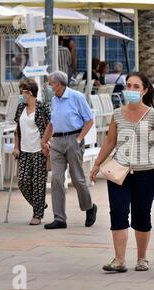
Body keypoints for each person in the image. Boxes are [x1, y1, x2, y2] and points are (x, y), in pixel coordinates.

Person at [89, 72, 154, 273]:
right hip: (119, 171)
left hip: (147, 173)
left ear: (144, 90)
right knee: (118, 211)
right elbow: (109, 142)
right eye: (128, 86)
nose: (131, 90)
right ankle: (119, 259)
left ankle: (142, 258)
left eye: (136, 87)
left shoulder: (153, 115)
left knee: (141, 215)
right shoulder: (117, 114)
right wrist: (97, 164)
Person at [41, 71, 97, 229]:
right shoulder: (54, 99)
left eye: (50, 83)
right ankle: (59, 218)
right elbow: (52, 123)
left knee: (77, 178)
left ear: (58, 84)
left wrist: (79, 139)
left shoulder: (76, 96)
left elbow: (89, 120)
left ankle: (90, 207)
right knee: (56, 179)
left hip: (73, 139)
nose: (49, 86)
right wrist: (44, 141)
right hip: (56, 142)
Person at [13, 79, 51, 225]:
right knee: (22, 181)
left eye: (22, 92)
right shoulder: (20, 107)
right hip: (24, 150)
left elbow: (50, 126)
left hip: (39, 150)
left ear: (29, 93)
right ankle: (39, 204)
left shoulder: (42, 108)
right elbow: (17, 130)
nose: (21, 95)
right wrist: (16, 147)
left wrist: (46, 143)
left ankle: (37, 214)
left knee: (38, 183)